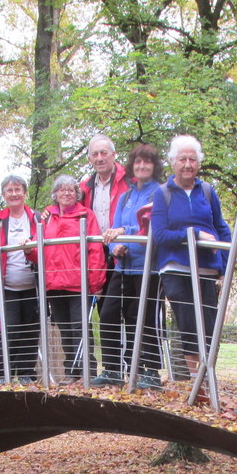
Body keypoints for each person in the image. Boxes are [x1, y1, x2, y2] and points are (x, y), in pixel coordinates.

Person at [150, 135, 231, 382]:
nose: (188, 164)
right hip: (176, 268)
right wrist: (194, 234)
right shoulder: (163, 193)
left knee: (208, 325)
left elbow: (222, 228)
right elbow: (161, 234)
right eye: (183, 159)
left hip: (206, 268)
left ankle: (206, 379)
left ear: (199, 163)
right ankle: (198, 382)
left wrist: (224, 266)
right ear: (173, 163)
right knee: (188, 324)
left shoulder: (207, 191)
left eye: (192, 160)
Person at [93, 143, 165, 390]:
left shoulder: (161, 193)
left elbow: (154, 224)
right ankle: (113, 369)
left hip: (149, 268)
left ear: (154, 166)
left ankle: (151, 371)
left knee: (143, 318)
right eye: (138, 162)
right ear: (132, 165)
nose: (142, 166)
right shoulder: (125, 196)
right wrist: (115, 247)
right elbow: (114, 229)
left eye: (147, 162)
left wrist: (127, 232)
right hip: (123, 266)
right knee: (109, 314)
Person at [29, 175, 106, 382]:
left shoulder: (85, 215)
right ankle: (71, 373)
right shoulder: (47, 217)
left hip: (78, 282)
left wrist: (96, 281)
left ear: (77, 194)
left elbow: (95, 249)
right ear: (55, 194)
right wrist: (29, 251)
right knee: (64, 328)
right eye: (62, 190)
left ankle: (87, 372)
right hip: (54, 283)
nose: (66, 193)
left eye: (71, 190)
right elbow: (38, 251)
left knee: (80, 327)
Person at [0, 176, 40, 384]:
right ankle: (4, 375)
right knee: (9, 330)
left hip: (33, 284)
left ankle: (26, 374)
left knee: (31, 330)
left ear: (25, 193)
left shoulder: (36, 217)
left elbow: (46, 244)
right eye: (9, 190)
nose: (14, 194)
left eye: (18, 189)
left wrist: (32, 250)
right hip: (7, 286)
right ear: (3, 195)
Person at [80, 134, 129, 232]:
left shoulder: (130, 180)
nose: (99, 159)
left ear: (114, 155)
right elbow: (68, 210)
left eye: (104, 153)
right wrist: (51, 211)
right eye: (95, 154)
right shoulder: (84, 188)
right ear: (90, 159)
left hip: (124, 242)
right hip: (96, 245)